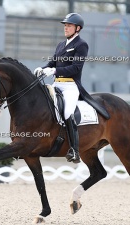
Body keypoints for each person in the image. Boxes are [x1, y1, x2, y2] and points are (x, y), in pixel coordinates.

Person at [34, 13, 87, 163]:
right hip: (57, 84)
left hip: (71, 86)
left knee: (68, 112)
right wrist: (43, 68)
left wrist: (55, 70)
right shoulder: (61, 45)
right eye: (65, 25)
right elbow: (52, 63)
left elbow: (76, 67)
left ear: (77, 28)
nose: (66, 28)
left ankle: (74, 150)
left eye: (69, 25)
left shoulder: (81, 45)